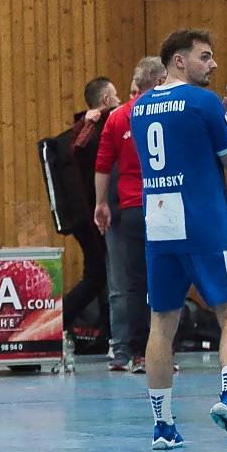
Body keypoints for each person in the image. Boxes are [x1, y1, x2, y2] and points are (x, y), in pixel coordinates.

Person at [131, 28, 227, 452]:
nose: (214, 64)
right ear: (179, 60)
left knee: (161, 323)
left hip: (159, 223)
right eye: (205, 56)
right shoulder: (202, 102)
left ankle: (163, 426)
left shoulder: (139, 107)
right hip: (203, 220)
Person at [94, 57, 166, 374]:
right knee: (166, 279)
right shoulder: (170, 111)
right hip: (164, 205)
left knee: (136, 282)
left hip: (133, 207)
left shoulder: (118, 117)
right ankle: (163, 350)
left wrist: (101, 203)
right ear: (159, 82)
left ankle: (139, 353)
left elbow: (102, 164)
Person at [65, 78, 120, 347]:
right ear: (107, 100)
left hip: (82, 216)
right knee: (100, 276)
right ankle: (57, 322)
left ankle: (110, 336)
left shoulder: (82, 128)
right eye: (117, 96)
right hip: (95, 216)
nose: (121, 101)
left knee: (101, 276)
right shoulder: (102, 129)